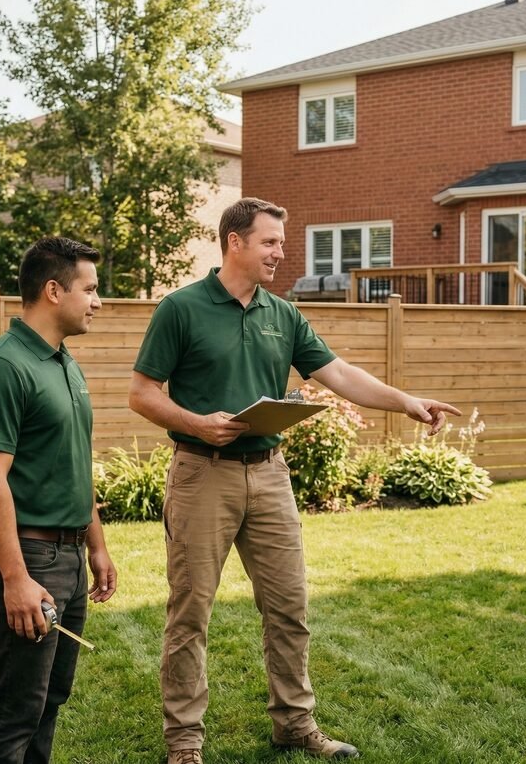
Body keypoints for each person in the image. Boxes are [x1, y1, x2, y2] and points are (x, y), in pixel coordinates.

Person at [129, 197, 462, 764]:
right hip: (201, 475)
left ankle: (295, 723)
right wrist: (196, 424)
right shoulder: (180, 310)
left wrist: (406, 401)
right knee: (190, 613)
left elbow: (339, 374)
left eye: (281, 243)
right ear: (235, 242)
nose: (281, 253)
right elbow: (141, 394)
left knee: (289, 607)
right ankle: (184, 743)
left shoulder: (282, 314)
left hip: (269, 475)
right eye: (270, 242)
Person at [0, 236, 118, 764]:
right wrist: (15, 579)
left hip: (68, 557)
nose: (99, 301)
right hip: (29, 560)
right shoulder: (3, 368)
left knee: (50, 699)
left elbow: (73, 459)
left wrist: (95, 546)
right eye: (90, 289)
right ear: (54, 290)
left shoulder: (63, 362)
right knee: (17, 708)